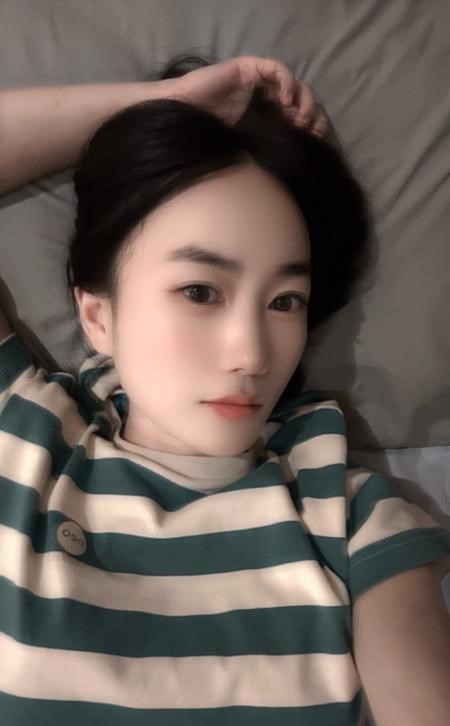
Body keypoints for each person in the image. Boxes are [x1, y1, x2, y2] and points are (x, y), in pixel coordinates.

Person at [0, 53, 448, 726]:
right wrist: (164, 107)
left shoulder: (351, 522)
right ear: (98, 316)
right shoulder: (22, 438)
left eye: (285, 301)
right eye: (200, 291)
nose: (252, 355)